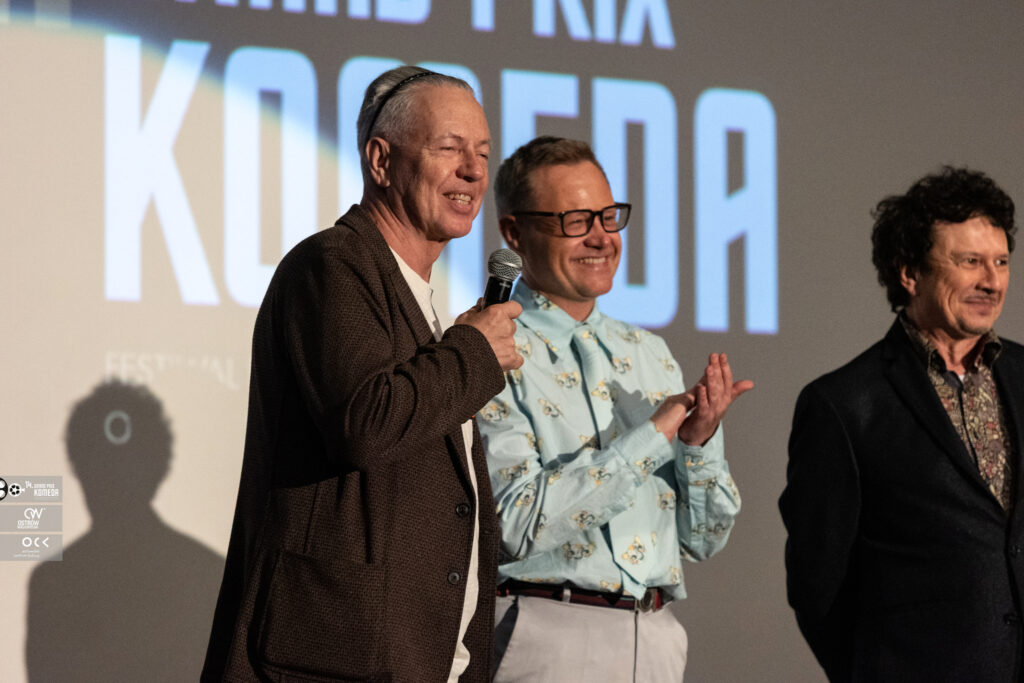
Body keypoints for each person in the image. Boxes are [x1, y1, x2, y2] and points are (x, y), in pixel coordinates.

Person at [202, 66, 523, 683]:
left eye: (483, 153)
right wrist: (472, 352)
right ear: (381, 160)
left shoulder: (420, 298)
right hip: (331, 660)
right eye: (449, 148)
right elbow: (367, 423)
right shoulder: (332, 264)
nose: (473, 171)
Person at [476, 136, 752, 682]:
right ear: (514, 232)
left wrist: (697, 444)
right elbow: (513, 523)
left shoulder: (648, 353)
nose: (602, 237)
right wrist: (650, 437)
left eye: (608, 216)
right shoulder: (490, 347)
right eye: (576, 220)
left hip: (655, 636)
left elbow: (704, 540)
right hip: (547, 633)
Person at [780, 167, 1024, 681]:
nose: (992, 280)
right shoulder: (845, 404)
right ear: (910, 272)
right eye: (970, 261)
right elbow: (817, 587)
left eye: (1001, 261)